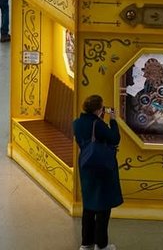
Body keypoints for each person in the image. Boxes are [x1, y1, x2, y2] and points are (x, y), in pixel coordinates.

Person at [73, 94, 122, 250]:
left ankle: (86, 243)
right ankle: (101, 245)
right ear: (98, 109)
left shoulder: (77, 123)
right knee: (102, 207)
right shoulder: (98, 124)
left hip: (86, 166)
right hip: (101, 168)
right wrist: (113, 120)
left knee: (88, 205)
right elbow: (115, 138)